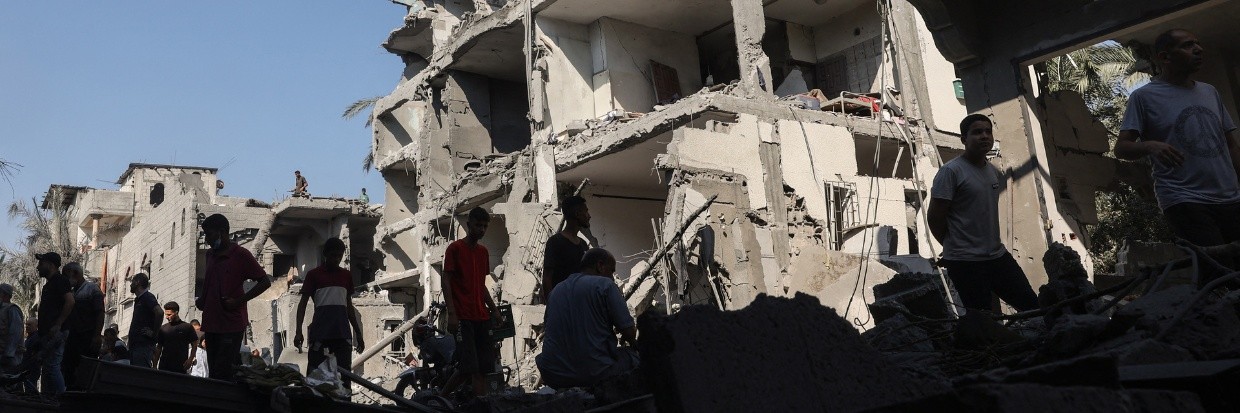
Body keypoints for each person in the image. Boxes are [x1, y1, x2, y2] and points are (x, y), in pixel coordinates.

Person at [1116, 29, 1240, 253]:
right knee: (1219, 272)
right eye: (1187, 45)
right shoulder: (1144, 97)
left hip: (1230, 197)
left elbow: (1230, 144)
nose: (1198, 49)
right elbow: (1122, 148)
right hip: (1184, 198)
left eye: (1198, 43)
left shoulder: (1210, 92)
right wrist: (1150, 145)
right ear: (1164, 57)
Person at [927, 115, 1039, 313]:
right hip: (966, 262)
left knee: (1031, 306)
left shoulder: (992, 172)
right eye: (977, 132)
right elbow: (935, 218)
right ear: (963, 139)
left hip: (996, 255)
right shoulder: (951, 172)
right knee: (983, 320)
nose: (985, 136)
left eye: (988, 131)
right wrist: (952, 247)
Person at [536, 248, 639, 388]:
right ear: (600, 266)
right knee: (634, 358)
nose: (613, 277)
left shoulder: (556, 290)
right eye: (611, 271)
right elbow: (629, 333)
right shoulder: (606, 285)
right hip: (593, 374)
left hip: (554, 375)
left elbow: (549, 328)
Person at [196, 214, 272, 381]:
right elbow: (209, 283)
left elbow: (264, 282)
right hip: (211, 323)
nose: (207, 239)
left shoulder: (241, 254)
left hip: (231, 324)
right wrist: (203, 300)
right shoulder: (210, 255)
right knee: (214, 371)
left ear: (222, 232)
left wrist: (239, 301)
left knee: (223, 371)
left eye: (209, 234)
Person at [441, 207, 500, 396]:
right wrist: (452, 313)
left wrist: (494, 310)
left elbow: (481, 286)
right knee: (468, 368)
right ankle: (439, 399)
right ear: (468, 225)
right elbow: (446, 280)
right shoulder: (455, 249)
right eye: (478, 225)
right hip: (463, 317)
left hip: (481, 316)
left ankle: (479, 403)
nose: (481, 230)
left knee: (483, 368)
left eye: (485, 226)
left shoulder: (483, 252)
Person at [293, 238, 365, 387]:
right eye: (333, 255)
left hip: (342, 334)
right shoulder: (313, 275)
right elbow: (302, 305)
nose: (336, 259)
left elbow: (349, 307)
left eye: (339, 256)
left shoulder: (346, 276)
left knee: (344, 381)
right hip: (320, 334)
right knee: (315, 380)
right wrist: (298, 331)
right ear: (325, 254)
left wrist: (358, 333)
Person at [35, 252, 74, 395]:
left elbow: (70, 301)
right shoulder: (50, 284)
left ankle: (63, 401)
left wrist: (58, 324)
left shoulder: (60, 281)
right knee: (47, 370)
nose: (38, 267)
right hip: (48, 334)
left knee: (52, 367)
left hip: (56, 334)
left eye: (41, 263)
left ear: (51, 265)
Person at [542, 196, 591, 304]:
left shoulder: (583, 245)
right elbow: (547, 278)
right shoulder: (555, 242)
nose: (589, 216)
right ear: (577, 214)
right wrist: (551, 306)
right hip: (562, 305)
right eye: (586, 211)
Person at [62, 262, 103, 389]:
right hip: (74, 338)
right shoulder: (73, 292)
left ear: (75, 273)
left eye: (66, 275)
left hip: (87, 337)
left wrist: (96, 336)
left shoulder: (92, 289)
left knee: (85, 371)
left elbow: (100, 313)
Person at [127, 273, 162, 368]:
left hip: (143, 346)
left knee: (141, 375)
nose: (130, 285)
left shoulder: (147, 297)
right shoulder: (139, 299)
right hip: (136, 346)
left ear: (138, 282)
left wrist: (154, 334)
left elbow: (159, 312)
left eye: (132, 281)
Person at [153, 302, 197, 374]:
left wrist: (190, 359)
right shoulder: (163, 329)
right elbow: (159, 348)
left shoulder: (187, 327)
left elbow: (194, 345)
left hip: (180, 367)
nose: (167, 317)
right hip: (164, 367)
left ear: (176, 313)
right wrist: (154, 366)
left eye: (169, 315)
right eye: (166, 314)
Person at [0, 284, 23, 373]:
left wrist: (9, 354)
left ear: (5, 295)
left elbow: (15, 332)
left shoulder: (12, 309)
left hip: (10, 358)